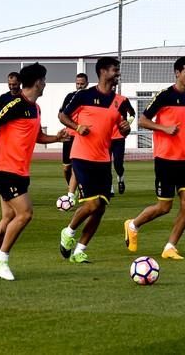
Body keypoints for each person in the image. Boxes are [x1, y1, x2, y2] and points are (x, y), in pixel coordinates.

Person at [0, 63, 68, 280]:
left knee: (8, 218)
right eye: (44, 79)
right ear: (37, 82)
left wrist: (57, 138)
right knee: (25, 213)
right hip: (5, 169)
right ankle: (2, 259)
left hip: (20, 170)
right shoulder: (15, 103)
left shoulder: (36, 108)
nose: (46, 84)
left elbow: (36, 137)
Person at [123, 57, 185, 260]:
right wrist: (164, 128)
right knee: (164, 207)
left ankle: (170, 246)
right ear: (177, 73)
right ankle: (133, 224)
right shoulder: (164, 95)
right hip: (165, 159)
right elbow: (142, 120)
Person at [58, 57, 130, 263]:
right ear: (102, 71)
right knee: (92, 204)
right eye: (115, 70)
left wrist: (125, 130)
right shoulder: (84, 95)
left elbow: (121, 127)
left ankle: (80, 250)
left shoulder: (120, 101)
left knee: (100, 208)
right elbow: (63, 116)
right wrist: (76, 126)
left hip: (103, 159)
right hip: (82, 156)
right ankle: (69, 232)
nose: (117, 73)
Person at [58, 73, 89, 202]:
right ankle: (72, 187)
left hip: (81, 137)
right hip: (69, 135)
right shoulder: (70, 97)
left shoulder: (90, 97)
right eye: (78, 83)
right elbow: (61, 114)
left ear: (87, 84)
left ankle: (74, 192)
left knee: (78, 166)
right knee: (66, 167)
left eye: (82, 84)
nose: (79, 86)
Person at [109, 94, 136, 195]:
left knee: (118, 164)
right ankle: (109, 187)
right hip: (105, 137)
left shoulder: (123, 100)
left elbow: (133, 113)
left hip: (119, 137)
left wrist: (127, 123)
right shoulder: (100, 99)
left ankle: (120, 178)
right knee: (106, 164)